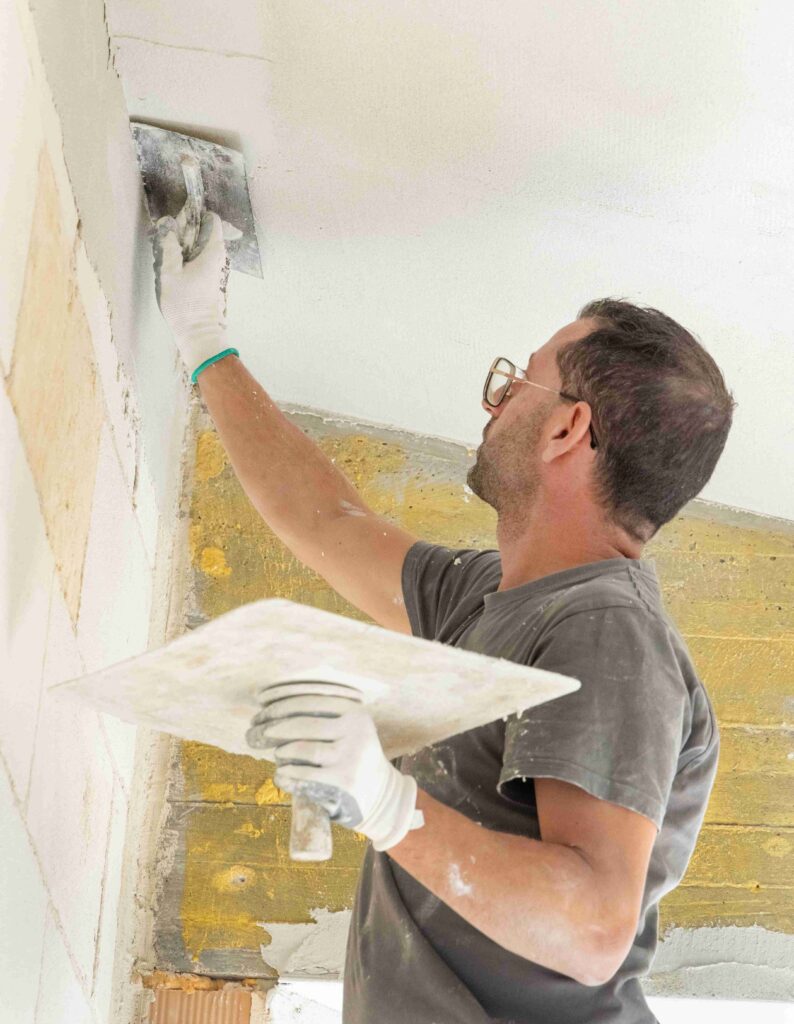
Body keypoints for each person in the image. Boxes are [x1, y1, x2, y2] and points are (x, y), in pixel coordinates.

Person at [153, 211, 736, 1023]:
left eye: (517, 384)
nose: (494, 405)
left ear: (568, 428)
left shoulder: (607, 630)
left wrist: (385, 803)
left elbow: (594, 927)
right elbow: (330, 523)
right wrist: (203, 341)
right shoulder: (492, 599)